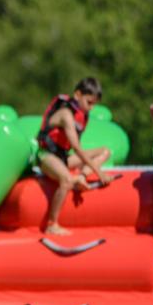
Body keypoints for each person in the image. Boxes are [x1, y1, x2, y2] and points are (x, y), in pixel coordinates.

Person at [36, 77, 113, 236]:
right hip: (46, 156)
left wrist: (86, 172)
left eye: (94, 104)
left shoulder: (83, 115)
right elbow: (77, 148)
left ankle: (81, 178)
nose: (91, 108)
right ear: (77, 95)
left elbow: (72, 150)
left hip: (63, 157)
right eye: (89, 102)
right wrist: (99, 173)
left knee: (105, 151)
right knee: (66, 180)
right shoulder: (66, 114)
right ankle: (52, 224)